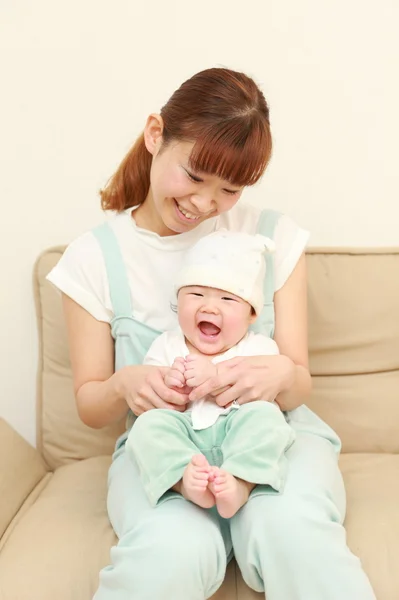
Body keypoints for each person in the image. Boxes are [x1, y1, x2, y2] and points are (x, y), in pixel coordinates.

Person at [47, 67, 376, 600]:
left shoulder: (272, 238)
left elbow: (298, 386)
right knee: (170, 552)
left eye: (229, 189)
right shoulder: (93, 259)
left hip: (273, 431)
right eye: (195, 176)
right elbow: (91, 404)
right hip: (168, 447)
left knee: (290, 530)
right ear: (156, 135)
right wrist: (123, 384)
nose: (204, 203)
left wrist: (282, 373)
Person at [127, 230, 296, 518]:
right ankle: (183, 480)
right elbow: (155, 393)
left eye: (228, 300)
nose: (209, 306)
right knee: (146, 428)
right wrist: (172, 383)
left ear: (251, 314)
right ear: (178, 301)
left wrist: (215, 375)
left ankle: (241, 482)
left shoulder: (259, 347)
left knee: (268, 420)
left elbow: (268, 396)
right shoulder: (167, 345)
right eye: (195, 294)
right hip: (186, 436)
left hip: (237, 431)